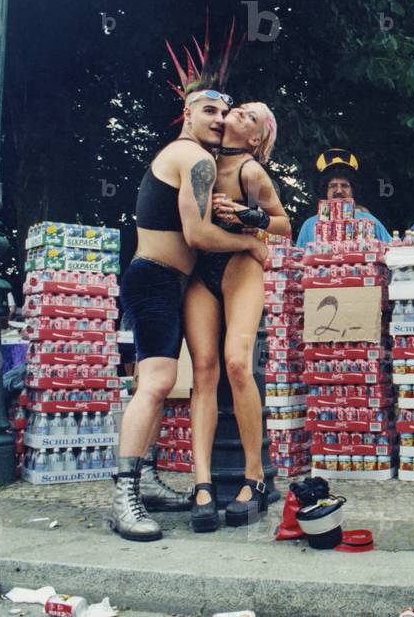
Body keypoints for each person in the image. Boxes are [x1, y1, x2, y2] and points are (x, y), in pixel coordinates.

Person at [112, 34, 268, 543]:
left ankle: (151, 479)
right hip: (158, 279)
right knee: (157, 383)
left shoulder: (186, 156)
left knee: (152, 385)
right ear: (186, 113)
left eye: (223, 115)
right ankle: (125, 496)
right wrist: (248, 246)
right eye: (208, 111)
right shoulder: (194, 158)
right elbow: (199, 235)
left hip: (160, 279)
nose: (218, 120)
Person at [183, 101, 288, 531]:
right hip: (200, 269)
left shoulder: (250, 171)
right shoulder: (197, 157)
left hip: (240, 266)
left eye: (251, 117)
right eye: (239, 109)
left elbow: (282, 222)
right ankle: (202, 483)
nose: (238, 114)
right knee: (203, 371)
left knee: (237, 364)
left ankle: (255, 478)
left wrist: (250, 216)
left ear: (257, 139)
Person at [294, 149, 390, 248]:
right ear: (325, 191)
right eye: (333, 186)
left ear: (353, 190)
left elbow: (392, 251)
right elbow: (297, 257)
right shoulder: (309, 225)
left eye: (344, 186)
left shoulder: (369, 220)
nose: (339, 190)